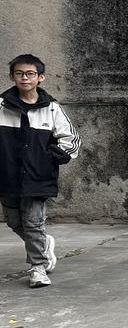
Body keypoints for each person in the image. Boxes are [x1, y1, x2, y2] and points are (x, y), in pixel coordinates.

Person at [0, 54, 80, 288]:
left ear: (40, 77)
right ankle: (44, 245)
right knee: (14, 221)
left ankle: (38, 268)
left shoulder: (51, 108)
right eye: (19, 73)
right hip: (6, 175)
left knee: (33, 223)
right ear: (12, 76)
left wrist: (48, 159)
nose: (24, 78)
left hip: (38, 177)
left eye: (30, 74)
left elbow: (71, 139)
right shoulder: (1, 106)